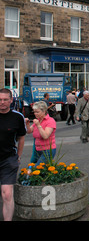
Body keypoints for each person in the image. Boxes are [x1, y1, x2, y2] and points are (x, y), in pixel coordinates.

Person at [0, 88, 26, 221]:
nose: (2, 102)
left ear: (11, 100)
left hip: (8, 159)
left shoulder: (17, 117)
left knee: (7, 194)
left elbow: (21, 137)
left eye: (5, 100)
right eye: (0, 100)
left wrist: (18, 157)